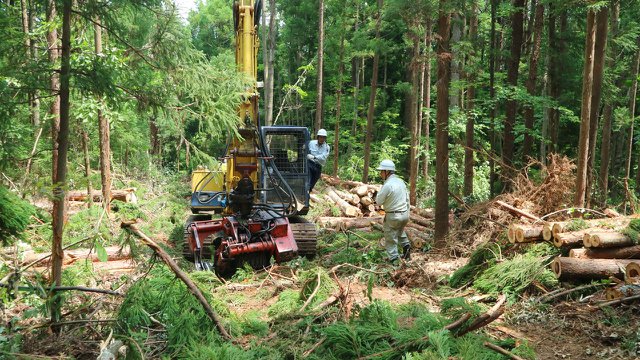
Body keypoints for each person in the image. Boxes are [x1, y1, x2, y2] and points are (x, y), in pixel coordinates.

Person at [375, 159, 411, 263]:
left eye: (382, 171)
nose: (380, 173)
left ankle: (394, 261)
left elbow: (378, 201)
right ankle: (407, 251)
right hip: (404, 214)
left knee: (390, 239)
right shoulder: (401, 182)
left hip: (393, 215)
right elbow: (407, 199)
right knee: (400, 231)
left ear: (387, 172)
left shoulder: (387, 185)